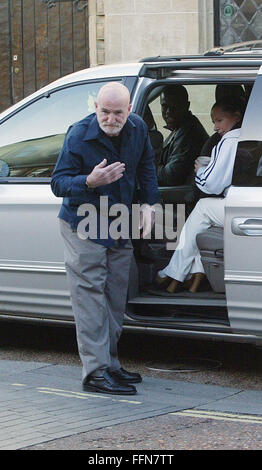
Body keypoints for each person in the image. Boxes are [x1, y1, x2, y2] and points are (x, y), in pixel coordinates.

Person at [51, 82, 159, 395]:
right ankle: (95, 373)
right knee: (90, 298)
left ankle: (109, 363)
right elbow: (58, 183)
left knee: (114, 296)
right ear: (96, 107)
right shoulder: (78, 134)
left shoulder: (137, 129)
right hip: (83, 222)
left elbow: (147, 167)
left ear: (129, 111)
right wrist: (89, 180)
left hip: (119, 221)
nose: (110, 119)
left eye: (118, 113)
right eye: (105, 112)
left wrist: (151, 204)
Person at [155, 97, 246, 294]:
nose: (215, 127)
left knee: (203, 207)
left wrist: (200, 170)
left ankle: (173, 272)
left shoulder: (230, 139)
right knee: (202, 223)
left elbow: (211, 184)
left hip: (241, 206)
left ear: (236, 116)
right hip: (245, 202)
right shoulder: (247, 136)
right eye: (213, 121)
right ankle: (194, 274)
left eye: (219, 120)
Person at [156, 85, 209, 186]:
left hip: (182, 197)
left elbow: (170, 177)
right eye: (164, 106)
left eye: (174, 106)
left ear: (186, 105)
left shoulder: (189, 133)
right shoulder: (180, 127)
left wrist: (147, 168)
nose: (168, 112)